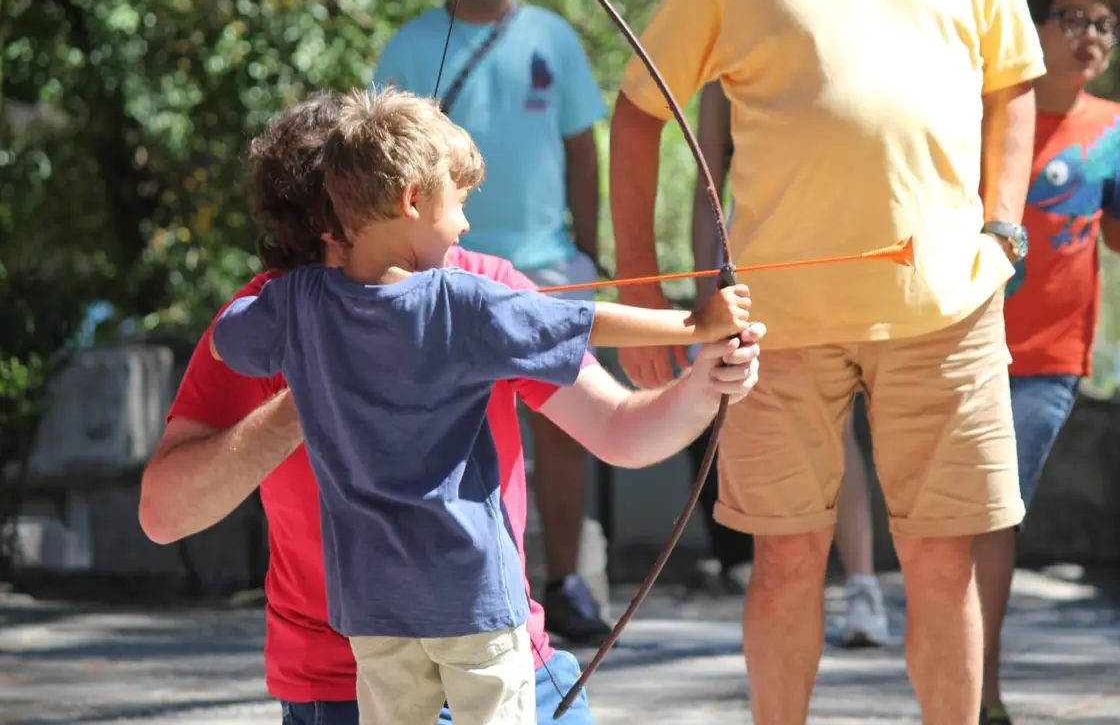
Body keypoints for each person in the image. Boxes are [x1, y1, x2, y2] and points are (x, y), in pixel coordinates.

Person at [138, 91, 765, 725]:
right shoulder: (285, 310)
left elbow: (621, 431)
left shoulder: (468, 289)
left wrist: (704, 376)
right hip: (342, 681)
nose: (462, 222)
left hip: (495, 647)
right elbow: (163, 515)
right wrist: (322, 387)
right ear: (331, 225)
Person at [607, 0, 1045, 721]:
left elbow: (1012, 82)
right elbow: (639, 113)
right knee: (785, 561)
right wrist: (643, 290)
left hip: (948, 307)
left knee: (944, 564)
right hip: (779, 323)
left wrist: (1004, 230)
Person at [371, 0, 612, 645]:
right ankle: (454, 584)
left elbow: (582, 147)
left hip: (544, 265)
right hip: (442, 271)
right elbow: (375, 167)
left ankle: (565, 582)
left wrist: (587, 254)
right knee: (444, 432)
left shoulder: (553, 37)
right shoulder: (408, 49)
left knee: (568, 422)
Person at [975, 0, 1120, 725]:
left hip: (1049, 362)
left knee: (995, 512)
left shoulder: (1115, 125)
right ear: (1031, 29)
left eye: (1104, 24)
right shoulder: (983, 113)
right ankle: (957, 677)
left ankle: (980, 691)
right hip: (960, 345)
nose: (1091, 35)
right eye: (1072, 17)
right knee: (953, 518)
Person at [685, 81, 890, 648]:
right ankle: (785, 590)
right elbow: (709, 189)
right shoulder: (722, 74)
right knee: (761, 427)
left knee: (838, 431)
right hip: (754, 278)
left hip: (828, 266)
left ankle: (862, 587)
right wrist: (707, 290)